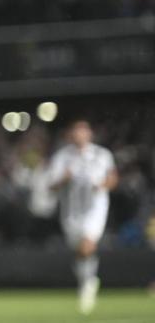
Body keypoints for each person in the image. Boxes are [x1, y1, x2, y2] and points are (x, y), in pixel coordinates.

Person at [48, 119, 117, 315]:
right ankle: (86, 280)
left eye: (83, 131)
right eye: (76, 131)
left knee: (88, 245)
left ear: (89, 134)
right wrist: (64, 179)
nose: (80, 135)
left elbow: (113, 177)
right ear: (71, 135)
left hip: (95, 209)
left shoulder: (102, 155)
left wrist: (103, 185)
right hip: (71, 213)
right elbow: (51, 186)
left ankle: (88, 284)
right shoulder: (62, 157)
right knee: (80, 251)